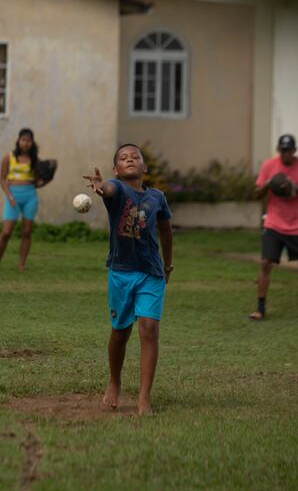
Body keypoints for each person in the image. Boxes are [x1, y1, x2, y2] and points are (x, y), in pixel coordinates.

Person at [83, 143, 173, 415]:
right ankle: (115, 380)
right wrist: (100, 187)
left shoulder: (157, 197)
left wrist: (168, 265)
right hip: (121, 272)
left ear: (145, 167)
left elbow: (166, 231)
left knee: (149, 329)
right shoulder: (117, 189)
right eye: (123, 158)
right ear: (116, 170)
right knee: (120, 332)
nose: (130, 159)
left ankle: (144, 397)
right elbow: (107, 190)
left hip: (151, 273)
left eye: (135, 157)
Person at [250, 134, 298, 320]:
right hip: (274, 223)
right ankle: (260, 309)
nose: (285, 154)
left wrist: (294, 188)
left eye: (288, 151)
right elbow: (257, 195)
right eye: (282, 150)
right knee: (266, 264)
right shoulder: (269, 166)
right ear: (278, 150)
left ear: (295, 150)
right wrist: (269, 184)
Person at [0, 128, 54, 270]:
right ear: (18, 141)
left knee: (26, 232)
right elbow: (2, 179)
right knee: (6, 232)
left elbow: (37, 182)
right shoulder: (8, 157)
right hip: (13, 195)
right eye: (23, 140)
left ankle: (21, 265)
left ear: (32, 143)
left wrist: (48, 179)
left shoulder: (34, 160)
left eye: (28, 141)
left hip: (30, 195)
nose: (26, 143)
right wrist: (9, 196)